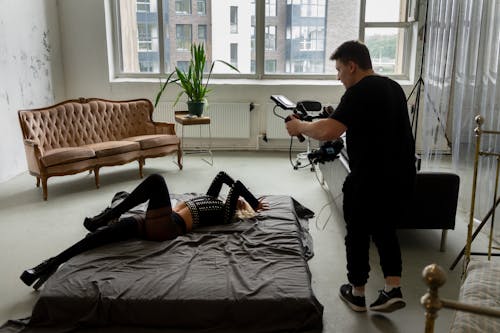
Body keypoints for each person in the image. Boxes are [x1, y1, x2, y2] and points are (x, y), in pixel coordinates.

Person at [286, 40, 416, 313]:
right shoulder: (393, 87)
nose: (338, 76)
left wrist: (299, 125)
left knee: (356, 232)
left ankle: (357, 293)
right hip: (401, 176)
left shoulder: (359, 91)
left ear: (352, 66)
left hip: (369, 177)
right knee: (384, 229)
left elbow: (327, 132)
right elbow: (376, 126)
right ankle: (393, 289)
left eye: (339, 70)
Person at [20, 171, 268, 290]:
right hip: (154, 221)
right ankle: (48, 265)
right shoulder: (212, 198)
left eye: (240, 203)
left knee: (157, 181)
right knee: (96, 238)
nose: (237, 200)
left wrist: (252, 203)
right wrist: (246, 200)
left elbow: (236, 185)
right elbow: (223, 176)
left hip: (167, 228)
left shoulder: (225, 214)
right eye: (239, 200)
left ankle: (107, 216)